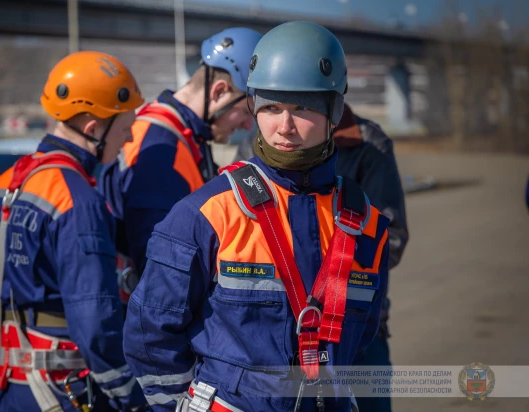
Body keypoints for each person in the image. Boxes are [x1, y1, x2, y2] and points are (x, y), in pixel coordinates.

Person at [123, 21, 390, 411]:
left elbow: (359, 337)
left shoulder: (365, 224)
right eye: (270, 108)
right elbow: (150, 333)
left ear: (335, 109)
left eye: (302, 109)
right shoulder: (208, 213)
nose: (284, 127)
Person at [0, 51, 147, 412]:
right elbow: (96, 325)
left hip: (11, 386)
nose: (131, 135)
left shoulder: (2, 185)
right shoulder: (78, 200)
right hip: (66, 392)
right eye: (125, 125)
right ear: (93, 128)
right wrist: (130, 398)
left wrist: (13, 348)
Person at [235, 103, 409, 412]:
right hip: (273, 330)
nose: (287, 126)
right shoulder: (260, 139)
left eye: (304, 103)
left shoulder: (368, 143)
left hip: (357, 329)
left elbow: (390, 238)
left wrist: (321, 280)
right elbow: (240, 228)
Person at [100, 28, 262, 279]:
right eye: (244, 112)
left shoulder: (181, 135)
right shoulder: (161, 151)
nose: (247, 125)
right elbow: (158, 270)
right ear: (218, 92)